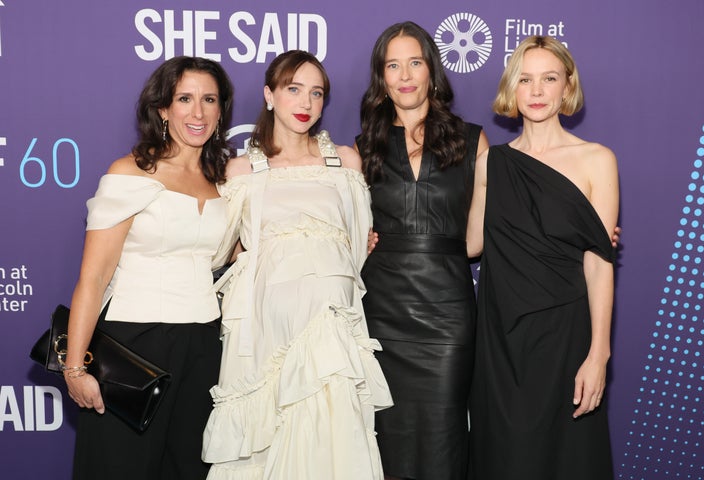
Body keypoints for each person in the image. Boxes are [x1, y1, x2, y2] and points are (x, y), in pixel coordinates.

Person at [201, 50, 392, 480]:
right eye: (293, 90)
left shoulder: (343, 162)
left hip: (330, 332)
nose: (305, 103)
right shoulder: (242, 170)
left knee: (333, 441)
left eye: (316, 93)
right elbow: (218, 250)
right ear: (269, 95)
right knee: (266, 441)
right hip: (268, 333)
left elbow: (356, 247)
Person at [63, 56, 234, 479]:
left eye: (209, 99)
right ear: (162, 108)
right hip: (134, 346)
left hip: (204, 346)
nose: (198, 112)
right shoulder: (130, 172)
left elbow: (244, 253)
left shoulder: (224, 182)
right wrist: (74, 366)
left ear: (220, 110)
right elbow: (94, 277)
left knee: (188, 468)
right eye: (185, 99)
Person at [466, 35, 619, 479]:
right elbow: (469, 244)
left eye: (548, 78)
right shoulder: (491, 163)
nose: (535, 91)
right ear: (511, 88)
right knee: (503, 459)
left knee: (566, 459)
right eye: (525, 79)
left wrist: (599, 354)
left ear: (566, 87)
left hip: (565, 337)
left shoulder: (597, 160)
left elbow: (599, 262)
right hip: (499, 341)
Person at [355, 21, 489, 480]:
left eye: (415, 63)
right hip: (380, 311)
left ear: (432, 71)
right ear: (381, 77)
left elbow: (477, 239)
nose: (405, 75)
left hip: (446, 313)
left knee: (443, 433)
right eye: (393, 65)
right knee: (383, 433)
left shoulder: (472, 140)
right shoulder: (362, 148)